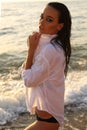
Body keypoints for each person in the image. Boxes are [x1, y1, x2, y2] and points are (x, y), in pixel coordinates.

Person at [21, 2, 72, 130]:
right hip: (49, 118)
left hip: (48, 121)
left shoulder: (51, 50)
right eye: (42, 17)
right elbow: (32, 72)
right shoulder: (53, 45)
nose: (42, 22)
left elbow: (29, 80)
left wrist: (31, 50)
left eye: (49, 20)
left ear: (59, 26)